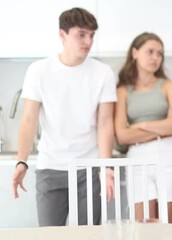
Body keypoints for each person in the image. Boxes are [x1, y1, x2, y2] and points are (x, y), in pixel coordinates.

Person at [12, 7, 116, 226]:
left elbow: (105, 123)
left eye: (92, 35)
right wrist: (22, 161)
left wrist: (106, 167)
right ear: (62, 35)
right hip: (51, 167)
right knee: (50, 235)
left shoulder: (103, 73)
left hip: (89, 169)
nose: (88, 41)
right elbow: (29, 119)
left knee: (89, 236)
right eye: (81, 34)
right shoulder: (39, 70)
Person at [115, 32, 172, 223]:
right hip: (138, 158)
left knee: (167, 227)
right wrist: (164, 125)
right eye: (150, 52)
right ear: (134, 53)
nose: (155, 58)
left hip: (169, 154)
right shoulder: (123, 91)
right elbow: (122, 135)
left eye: (159, 54)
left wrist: (141, 125)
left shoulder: (169, 86)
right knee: (144, 228)